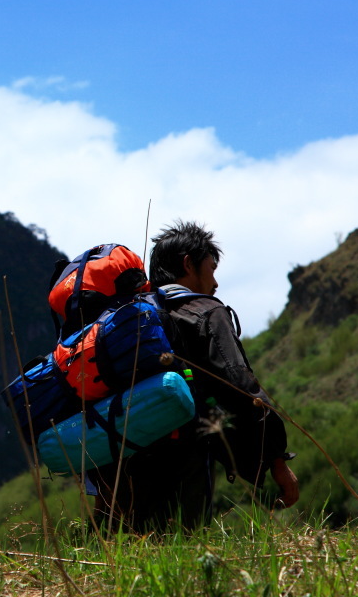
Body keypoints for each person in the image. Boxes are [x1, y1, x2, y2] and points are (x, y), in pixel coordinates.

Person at [86, 220, 299, 533]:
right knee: (175, 556)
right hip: (181, 468)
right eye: (211, 268)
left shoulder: (126, 321)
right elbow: (241, 389)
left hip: (116, 466)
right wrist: (277, 462)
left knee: (115, 560)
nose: (214, 282)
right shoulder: (205, 311)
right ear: (188, 264)